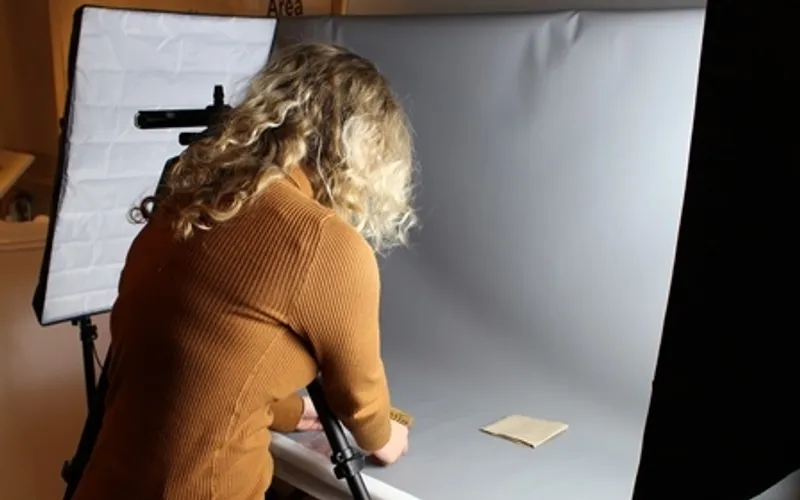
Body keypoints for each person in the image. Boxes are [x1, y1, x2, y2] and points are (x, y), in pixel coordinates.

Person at [73, 42, 417, 500]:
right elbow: (360, 396)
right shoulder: (323, 242)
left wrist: (294, 414)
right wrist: (384, 437)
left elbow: (200, 367)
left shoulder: (188, 200)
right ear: (362, 149)